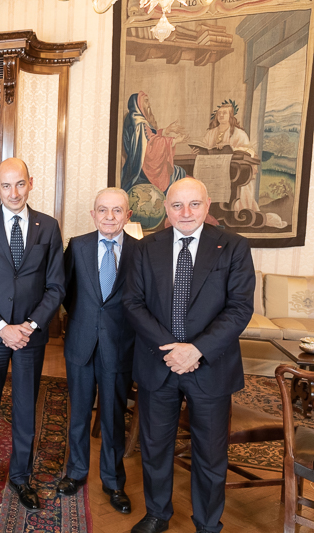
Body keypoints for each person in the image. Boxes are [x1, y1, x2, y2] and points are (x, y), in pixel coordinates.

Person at [122, 177, 255, 533]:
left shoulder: (234, 247)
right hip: (158, 363)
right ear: (166, 209)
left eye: (194, 204)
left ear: (207, 205)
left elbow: (240, 309)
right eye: (177, 205)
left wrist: (196, 349)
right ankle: (157, 514)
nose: (186, 212)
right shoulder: (146, 248)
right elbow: (132, 304)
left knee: (210, 454)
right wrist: (172, 350)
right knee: (154, 446)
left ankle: (208, 524)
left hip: (210, 366)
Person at [0, 157, 65, 510]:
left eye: (19, 183)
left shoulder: (49, 227)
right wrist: (2, 327)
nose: (13, 192)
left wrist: (29, 326)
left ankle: (21, 477)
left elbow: (56, 286)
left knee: (25, 408)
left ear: (31, 182)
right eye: (5, 185)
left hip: (29, 336)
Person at [58, 187, 137, 514]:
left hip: (119, 345)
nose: (109, 216)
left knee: (113, 416)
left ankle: (114, 481)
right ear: (93, 214)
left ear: (128, 216)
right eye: (102, 210)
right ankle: (76, 472)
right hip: (80, 342)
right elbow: (64, 290)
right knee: (78, 413)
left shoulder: (140, 251)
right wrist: (82, 319)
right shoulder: (77, 246)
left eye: (117, 211)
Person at [121, 91, 187, 194]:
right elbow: (150, 144)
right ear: (138, 103)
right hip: (142, 169)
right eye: (146, 101)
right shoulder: (139, 123)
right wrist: (174, 141)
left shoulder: (135, 119)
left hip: (137, 164)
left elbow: (149, 136)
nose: (149, 104)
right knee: (178, 173)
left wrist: (167, 130)